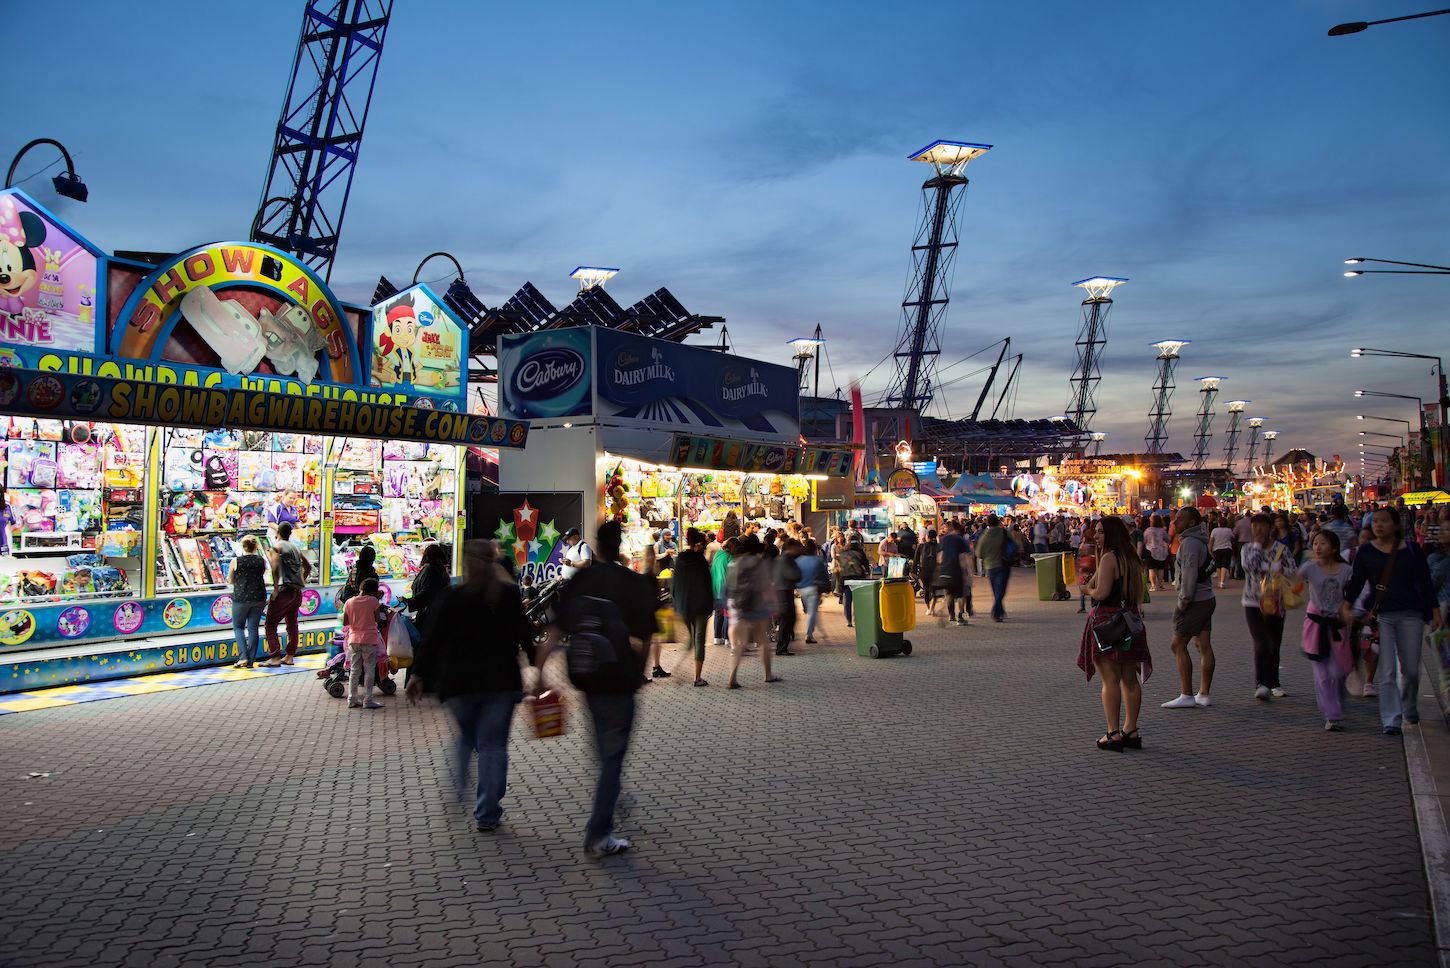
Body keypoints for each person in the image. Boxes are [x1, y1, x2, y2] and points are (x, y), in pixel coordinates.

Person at [534, 522, 653, 855]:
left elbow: (554, 630)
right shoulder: (633, 582)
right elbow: (645, 637)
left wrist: (539, 674)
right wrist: (638, 676)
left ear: (597, 544)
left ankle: (611, 795)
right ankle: (599, 831)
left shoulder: (582, 580)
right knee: (613, 757)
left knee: (605, 751)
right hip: (620, 678)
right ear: (621, 545)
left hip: (587, 676)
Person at [408, 540, 531, 832]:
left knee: (465, 738)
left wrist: (418, 674)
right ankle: (487, 812)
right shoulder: (507, 595)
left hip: (458, 683)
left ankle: (458, 784)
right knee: (492, 746)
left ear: (464, 564)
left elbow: (431, 638)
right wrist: (538, 667)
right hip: (499, 681)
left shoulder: (452, 596)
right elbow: (525, 634)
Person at [1341, 507, 1442, 735]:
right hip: (1382, 616)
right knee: (1386, 671)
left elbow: (1425, 582)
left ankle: (1409, 707)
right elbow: (1357, 582)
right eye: (1375, 521)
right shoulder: (1366, 552)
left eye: (1384, 521)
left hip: (1411, 614)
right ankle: (1391, 719)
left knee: (1410, 670)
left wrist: (1434, 610)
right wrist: (1347, 605)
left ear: (1396, 525)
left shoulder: (1412, 550)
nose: (1379, 525)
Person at [1077, 516, 1152, 751]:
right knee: (1129, 679)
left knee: (1110, 680)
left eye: (1100, 532)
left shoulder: (1109, 558)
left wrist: (1086, 589)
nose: (1096, 536)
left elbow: (1101, 592)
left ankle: (1113, 732)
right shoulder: (1130, 557)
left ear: (1111, 534)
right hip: (1129, 620)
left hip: (1107, 622)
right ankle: (1131, 729)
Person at [1161, 507, 1217, 710]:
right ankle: (1203, 693)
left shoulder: (1190, 544)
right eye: (1175, 519)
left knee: (1177, 645)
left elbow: (1190, 575)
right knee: (1203, 645)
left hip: (1195, 600)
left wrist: (1183, 603)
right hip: (1206, 597)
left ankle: (1187, 694)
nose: (1175, 522)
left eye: (1180, 519)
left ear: (1192, 523)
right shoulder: (1198, 540)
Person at [1300, 531, 1352, 731]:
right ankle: (1332, 715)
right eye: (1315, 543)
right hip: (1315, 624)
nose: (1318, 547)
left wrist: (1353, 611)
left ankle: (1338, 700)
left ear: (1335, 547)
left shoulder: (1346, 570)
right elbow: (1292, 579)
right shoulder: (1310, 568)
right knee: (1322, 674)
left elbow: (1357, 591)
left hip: (1338, 625)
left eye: (1323, 543)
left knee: (1339, 671)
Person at [1242, 513, 1296, 701]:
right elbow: (1251, 569)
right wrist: (1258, 548)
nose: (1258, 529)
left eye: (1262, 525)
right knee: (1261, 642)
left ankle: (1274, 682)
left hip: (1275, 601)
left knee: (1274, 642)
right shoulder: (1248, 549)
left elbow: (1292, 570)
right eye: (1255, 525)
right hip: (1253, 601)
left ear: (1270, 527)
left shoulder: (1281, 548)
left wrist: (1277, 569)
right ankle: (1261, 683)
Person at [726, 534, 781, 687]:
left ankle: (732, 677)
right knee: (763, 641)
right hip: (758, 606)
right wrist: (773, 604)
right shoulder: (759, 563)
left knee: (741, 643)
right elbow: (766, 585)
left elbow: (729, 586)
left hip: (740, 606)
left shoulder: (734, 564)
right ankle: (768, 675)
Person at [262, 521, 311, 666]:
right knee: (292, 624)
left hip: (284, 590)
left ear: (278, 533)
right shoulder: (296, 548)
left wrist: (276, 589)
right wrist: (302, 579)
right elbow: (307, 566)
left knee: (270, 624)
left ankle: (275, 656)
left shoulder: (276, 547)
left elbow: (275, 568)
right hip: (297, 590)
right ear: (290, 533)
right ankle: (290, 656)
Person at [672, 528, 714, 687]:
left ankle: (679, 665)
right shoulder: (700, 561)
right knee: (699, 640)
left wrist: (676, 602)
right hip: (701, 606)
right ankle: (697, 677)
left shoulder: (680, 559)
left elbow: (674, 584)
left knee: (689, 639)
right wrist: (710, 605)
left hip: (683, 605)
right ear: (698, 544)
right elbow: (707, 584)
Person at [341, 577, 386, 709]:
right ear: (373, 591)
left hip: (354, 639)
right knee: (369, 669)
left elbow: (345, 622)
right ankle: (368, 700)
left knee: (354, 670)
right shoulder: (373, 601)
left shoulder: (349, 602)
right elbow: (378, 619)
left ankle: (352, 699)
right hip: (370, 639)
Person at [229, 535, 269, 668]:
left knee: (238, 627)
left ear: (242, 546)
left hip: (241, 597)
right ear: (256, 546)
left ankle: (243, 657)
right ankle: (250, 660)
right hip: (259, 597)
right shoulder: (261, 560)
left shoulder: (236, 561)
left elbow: (230, 580)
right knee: (253, 628)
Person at [403, 543, 450, 638]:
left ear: (427, 555)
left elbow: (427, 592)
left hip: (427, 614)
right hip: (433, 613)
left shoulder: (430, 570)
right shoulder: (438, 570)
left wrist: (410, 601)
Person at [975, 514, 1010, 623]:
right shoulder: (1003, 532)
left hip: (990, 566)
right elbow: (1013, 545)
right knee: (1000, 590)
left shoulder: (984, 536)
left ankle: (998, 610)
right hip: (1003, 564)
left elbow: (979, 553)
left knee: (996, 590)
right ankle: (997, 611)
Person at [937, 520, 970, 626]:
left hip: (945, 571)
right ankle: (960, 617)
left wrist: (941, 568)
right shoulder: (960, 540)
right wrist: (966, 574)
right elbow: (962, 558)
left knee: (949, 594)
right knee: (961, 595)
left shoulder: (944, 539)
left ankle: (951, 615)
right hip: (957, 571)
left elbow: (940, 557)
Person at [774, 539, 803, 656]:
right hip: (783, 592)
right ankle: (781, 648)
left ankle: (782, 646)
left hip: (784, 591)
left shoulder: (784, 559)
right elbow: (795, 575)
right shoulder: (785, 560)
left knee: (788, 620)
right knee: (786, 620)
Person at [796, 538, 825, 644]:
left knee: (808, 611)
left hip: (802, 588)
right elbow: (823, 574)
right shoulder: (818, 560)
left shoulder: (799, 560)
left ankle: (812, 630)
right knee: (812, 612)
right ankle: (809, 634)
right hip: (814, 588)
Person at [837, 535, 870, 628]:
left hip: (846, 577)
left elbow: (839, 564)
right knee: (857, 600)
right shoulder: (860, 551)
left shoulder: (843, 551)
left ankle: (849, 621)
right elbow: (866, 564)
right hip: (858, 578)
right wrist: (866, 571)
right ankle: (857, 619)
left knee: (847, 599)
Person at [710, 536, 736, 648]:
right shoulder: (730, 557)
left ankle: (717, 637)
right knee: (727, 613)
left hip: (714, 586)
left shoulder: (718, 554)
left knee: (718, 612)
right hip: (725, 586)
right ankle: (727, 638)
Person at [1142, 515, 1170, 592]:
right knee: (1160, 569)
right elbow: (1168, 539)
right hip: (1162, 551)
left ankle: (1154, 586)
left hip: (1151, 551)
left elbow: (1144, 541)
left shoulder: (1148, 530)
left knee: (1152, 569)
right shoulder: (1162, 530)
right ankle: (1160, 585)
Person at [916, 529, 940, 615]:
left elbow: (916, 560)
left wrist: (913, 571)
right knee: (935, 590)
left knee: (926, 589)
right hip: (936, 571)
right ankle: (932, 608)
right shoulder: (939, 546)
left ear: (927, 537)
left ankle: (928, 608)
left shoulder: (921, 546)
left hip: (924, 571)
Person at [1209, 516, 1235, 589]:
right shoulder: (1229, 530)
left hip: (1216, 549)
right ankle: (1222, 582)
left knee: (1218, 565)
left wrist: (1210, 549)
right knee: (1225, 565)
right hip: (1227, 548)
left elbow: (1211, 541)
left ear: (1219, 523)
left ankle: (1220, 580)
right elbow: (1233, 537)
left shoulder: (1214, 530)